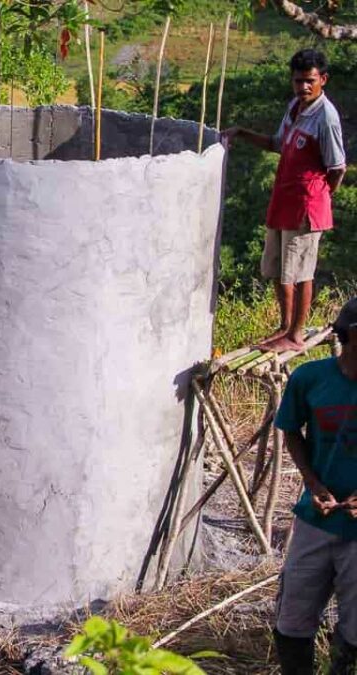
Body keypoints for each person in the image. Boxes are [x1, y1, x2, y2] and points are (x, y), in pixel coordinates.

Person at [224, 49, 346, 353]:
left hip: (307, 204)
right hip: (283, 200)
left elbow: (337, 166)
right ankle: (284, 326)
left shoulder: (326, 117)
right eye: (297, 81)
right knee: (277, 268)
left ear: (323, 80)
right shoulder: (295, 106)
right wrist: (240, 132)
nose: (303, 87)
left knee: (301, 271)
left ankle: (296, 334)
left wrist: (322, 195)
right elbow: (276, 144)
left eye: (309, 81)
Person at [273, 298, 357, 674]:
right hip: (315, 521)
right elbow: (291, 429)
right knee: (292, 621)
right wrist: (313, 482)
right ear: (352, 336)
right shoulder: (310, 379)